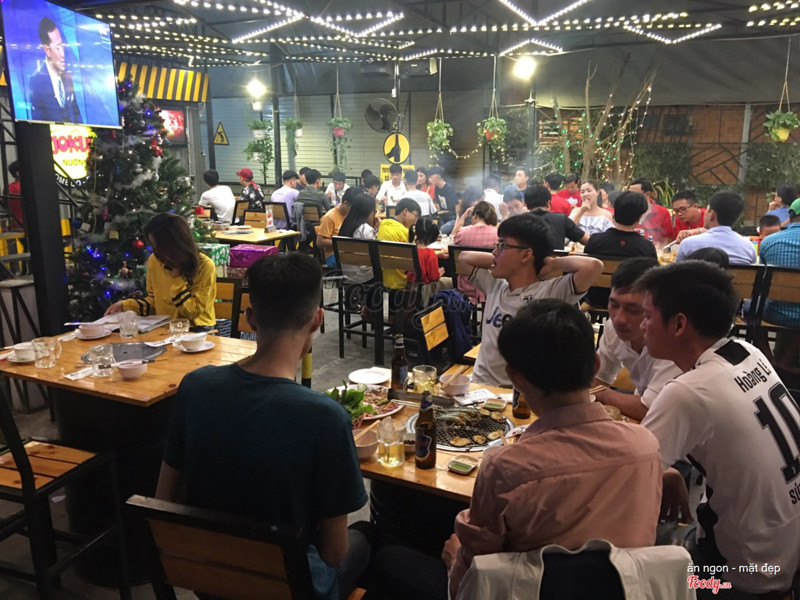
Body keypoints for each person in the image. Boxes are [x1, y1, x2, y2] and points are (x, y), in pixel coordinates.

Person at [155, 253, 369, 600]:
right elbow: (333, 554)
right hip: (289, 588)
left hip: (209, 581)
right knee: (370, 539)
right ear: (317, 320)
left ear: (250, 318)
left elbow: (163, 502)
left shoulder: (194, 387)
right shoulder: (326, 418)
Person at [443, 299, 662, 597]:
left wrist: (455, 558)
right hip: (626, 591)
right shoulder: (646, 447)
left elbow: (471, 579)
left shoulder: (506, 469)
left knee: (394, 557)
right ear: (595, 365)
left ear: (515, 377)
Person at [636, 260, 800, 598]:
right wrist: (667, 473)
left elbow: (630, 482)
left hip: (746, 574)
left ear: (679, 324)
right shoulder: (748, 353)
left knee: (639, 576)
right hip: (788, 550)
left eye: (647, 316)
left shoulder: (688, 392)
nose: (642, 325)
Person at [458, 213, 603, 387]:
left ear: (526, 255)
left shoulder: (551, 291)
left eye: (502, 246)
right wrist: (500, 260)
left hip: (524, 392)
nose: (495, 252)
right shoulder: (495, 284)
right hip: (481, 384)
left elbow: (594, 266)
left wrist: (553, 264)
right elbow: (464, 258)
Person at [592, 257, 681, 421]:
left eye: (633, 310)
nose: (619, 319)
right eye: (614, 305)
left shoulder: (674, 341)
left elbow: (652, 409)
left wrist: (603, 393)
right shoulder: (613, 328)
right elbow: (599, 379)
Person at [105, 213, 217, 329]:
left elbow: (192, 312)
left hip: (196, 329)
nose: (156, 251)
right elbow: (155, 302)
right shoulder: (155, 261)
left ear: (176, 245)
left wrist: (177, 277)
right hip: (165, 327)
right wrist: (125, 306)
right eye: (153, 246)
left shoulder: (205, 266)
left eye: (159, 246)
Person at [582, 191, 657, 308]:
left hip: (595, 300)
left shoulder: (595, 240)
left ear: (615, 212)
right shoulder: (646, 247)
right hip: (632, 302)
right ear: (639, 217)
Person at [675, 191, 756, 265]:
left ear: (712, 214)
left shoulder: (688, 244)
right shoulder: (748, 247)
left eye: (707, 210)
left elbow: (677, 272)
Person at [29, 17, 82, 124]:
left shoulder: (67, 77)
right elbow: (37, 122)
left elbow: (76, 113)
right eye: (58, 48)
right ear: (47, 50)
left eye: (62, 46)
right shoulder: (36, 81)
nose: (63, 54)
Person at [453, 201, 498, 304]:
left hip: (465, 285)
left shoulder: (461, 232)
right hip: (489, 284)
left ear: (475, 215)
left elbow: (452, 238)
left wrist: (462, 217)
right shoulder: (497, 233)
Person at [376, 197, 421, 290]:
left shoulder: (383, 224)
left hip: (382, 280)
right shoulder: (405, 232)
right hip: (401, 282)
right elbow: (416, 257)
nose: (415, 221)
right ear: (405, 211)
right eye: (416, 216)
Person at [524, 184, 588, 248]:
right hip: (555, 254)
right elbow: (587, 240)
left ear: (526, 206)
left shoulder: (520, 221)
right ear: (548, 204)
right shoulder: (561, 219)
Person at [339, 191, 380, 284]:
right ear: (369, 212)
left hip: (347, 274)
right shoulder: (366, 229)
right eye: (374, 212)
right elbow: (375, 255)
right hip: (364, 277)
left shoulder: (345, 225)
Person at [629, 178, 674, 246]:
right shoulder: (626, 211)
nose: (630, 197)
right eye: (629, 194)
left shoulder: (663, 213)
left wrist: (659, 251)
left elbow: (666, 240)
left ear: (647, 194)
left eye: (635, 194)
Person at [317, 187, 353, 269]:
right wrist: (341, 243)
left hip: (348, 252)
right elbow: (319, 242)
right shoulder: (329, 217)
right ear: (345, 203)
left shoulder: (350, 215)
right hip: (333, 255)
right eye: (353, 208)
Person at [7, 161, 23, 232]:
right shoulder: (20, 188)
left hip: (15, 227)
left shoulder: (9, 188)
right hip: (28, 226)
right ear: (17, 173)